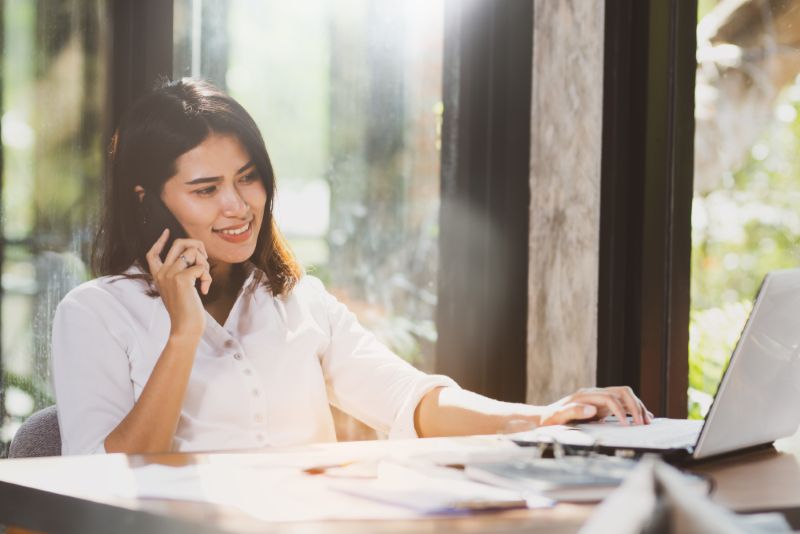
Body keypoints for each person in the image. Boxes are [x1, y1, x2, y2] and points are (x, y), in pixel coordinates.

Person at [51, 79, 651, 455]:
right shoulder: (95, 313)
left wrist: (541, 416)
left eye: (248, 177)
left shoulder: (297, 300)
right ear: (147, 198)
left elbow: (409, 400)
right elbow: (103, 474)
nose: (237, 206)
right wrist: (183, 333)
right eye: (205, 190)